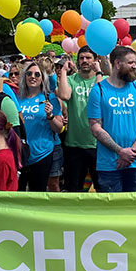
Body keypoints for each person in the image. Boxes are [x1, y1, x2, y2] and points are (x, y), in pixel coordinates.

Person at [87, 45, 136, 193]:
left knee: (133, 210)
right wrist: (120, 151)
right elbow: (95, 127)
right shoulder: (99, 90)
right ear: (117, 63)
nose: (135, 66)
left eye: (135, 62)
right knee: (112, 212)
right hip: (109, 165)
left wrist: (132, 152)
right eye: (130, 63)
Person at [55, 46, 103, 192]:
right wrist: (63, 71)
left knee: (101, 189)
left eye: (88, 58)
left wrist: (99, 71)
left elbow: (102, 96)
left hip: (98, 145)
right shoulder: (70, 80)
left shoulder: (103, 79)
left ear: (95, 60)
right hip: (74, 144)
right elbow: (64, 96)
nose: (84, 61)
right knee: (73, 189)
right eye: (81, 58)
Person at [16, 61, 64, 191]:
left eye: (37, 74)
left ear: (42, 78)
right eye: (29, 73)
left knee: (38, 192)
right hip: (21, 153)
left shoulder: (50, 98)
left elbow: (59, 129)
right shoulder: (17, 98)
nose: (33, 76)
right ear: (24, 77)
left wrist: (50, 116)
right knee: (18, 192)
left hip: (42, 153)